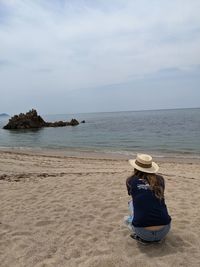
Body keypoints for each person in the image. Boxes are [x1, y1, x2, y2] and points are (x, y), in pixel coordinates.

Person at [125, 153, 171, 243]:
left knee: (131, 203)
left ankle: (142, 238)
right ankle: (156, 238)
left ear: (136, 167)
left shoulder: (130, 180)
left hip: (143, 232)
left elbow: (132, 195)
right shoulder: (160, 179)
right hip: (164, 230)